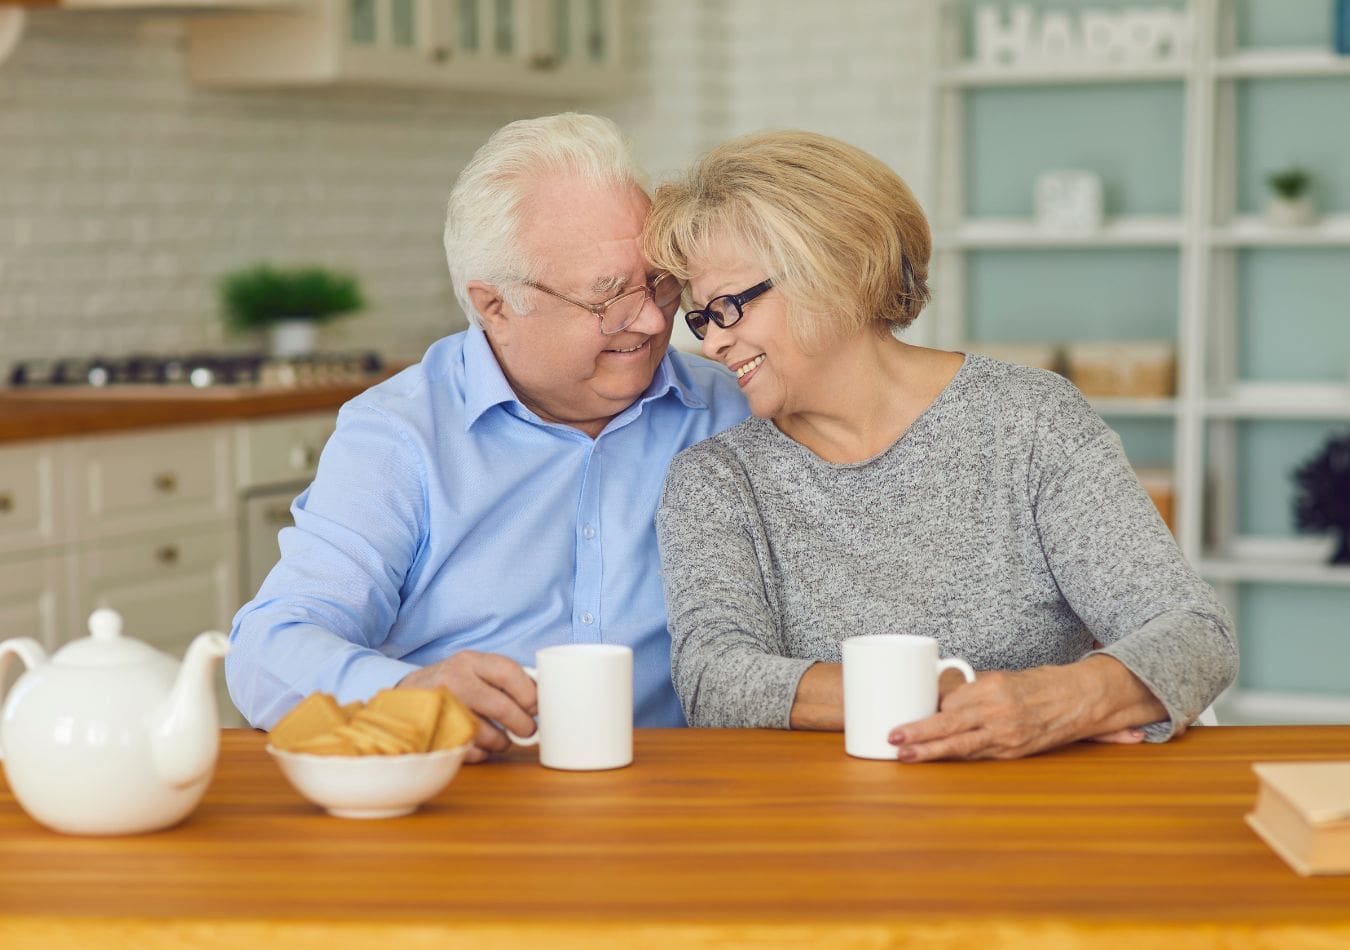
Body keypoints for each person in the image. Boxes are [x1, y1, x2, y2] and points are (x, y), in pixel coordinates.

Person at [644, 130, 1238, 761]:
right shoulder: (716, 477)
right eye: (701, 318)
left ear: (837, 270)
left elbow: (1195, 636)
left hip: (1034, 810)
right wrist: (928, 696)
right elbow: (713, 679)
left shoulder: (1030, 420)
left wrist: (1063, 700)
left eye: (730, 306)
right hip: (820, 822)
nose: (711, 344)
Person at [227, 114, 748, 761]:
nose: (648, 318)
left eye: (660, 282)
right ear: (495, 306)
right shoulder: (401, 435)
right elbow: (269, 645)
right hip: (469, 800)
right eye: (607, 296)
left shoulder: (733, 407)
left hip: (676, 791)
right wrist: (406, 690)